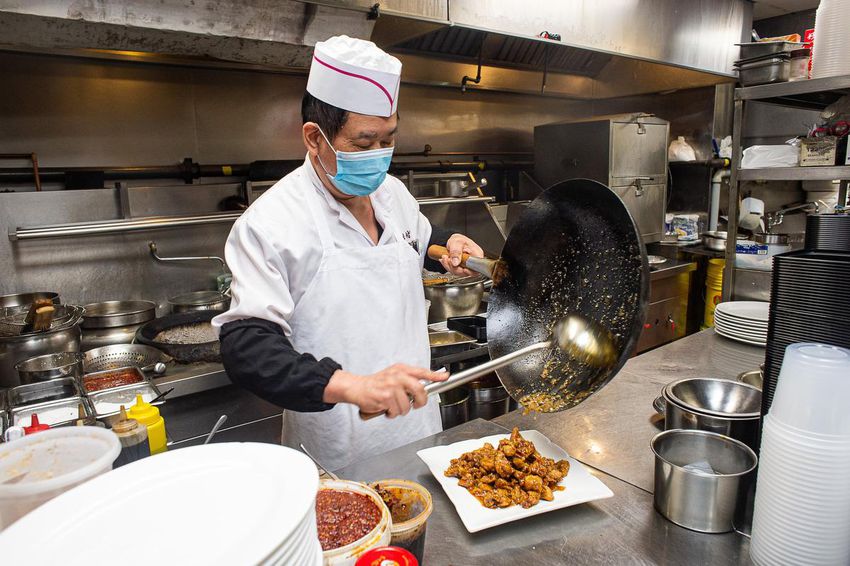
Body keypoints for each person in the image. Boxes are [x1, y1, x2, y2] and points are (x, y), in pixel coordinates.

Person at [212, 35, 484, 470]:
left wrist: (446, 246)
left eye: (388, 139)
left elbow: (418, 240)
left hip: (419, 433)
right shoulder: (271, 224)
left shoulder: (392, 194)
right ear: (314, 138)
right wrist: (351, 386)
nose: (379, 157)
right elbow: (246, 346)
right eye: (363, 143)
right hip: (336, 454)